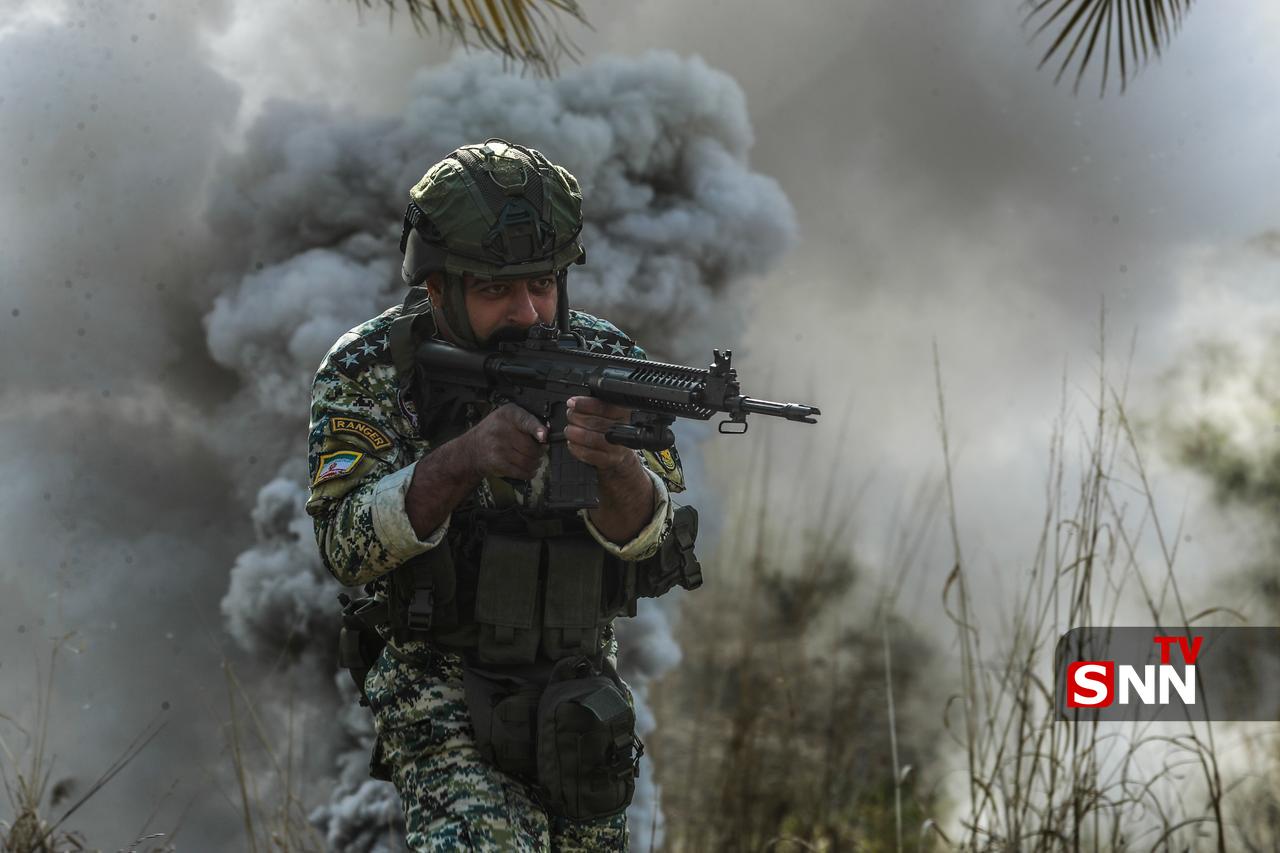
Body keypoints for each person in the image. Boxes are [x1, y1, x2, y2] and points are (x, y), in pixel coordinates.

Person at [305, 140, 693, 851]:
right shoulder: (371, 367)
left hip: (579, 703)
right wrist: (460, 461)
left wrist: (614, 466)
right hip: (442, 698)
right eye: (496, 290)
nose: (529, 312)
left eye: (544, 284)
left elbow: (658, 545)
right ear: (436, 289)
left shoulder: (608, 362)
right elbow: (345, 545)